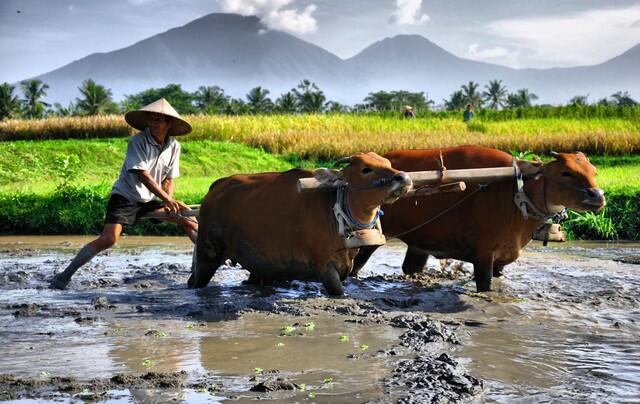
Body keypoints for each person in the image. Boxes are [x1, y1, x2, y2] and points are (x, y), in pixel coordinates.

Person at [49, 98, 198, 290]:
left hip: (151, 199)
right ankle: (63, 277)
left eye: (158, 120)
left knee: (189, 220)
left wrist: (170, 202)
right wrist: (167, 199)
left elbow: (168, 179)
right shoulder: (138, 141)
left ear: (169, 123)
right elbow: (141, 174)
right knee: (109, 239)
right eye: (151, 120)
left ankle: (200, 272)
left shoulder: (174, 146)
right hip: (126, 197)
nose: (153, 124)